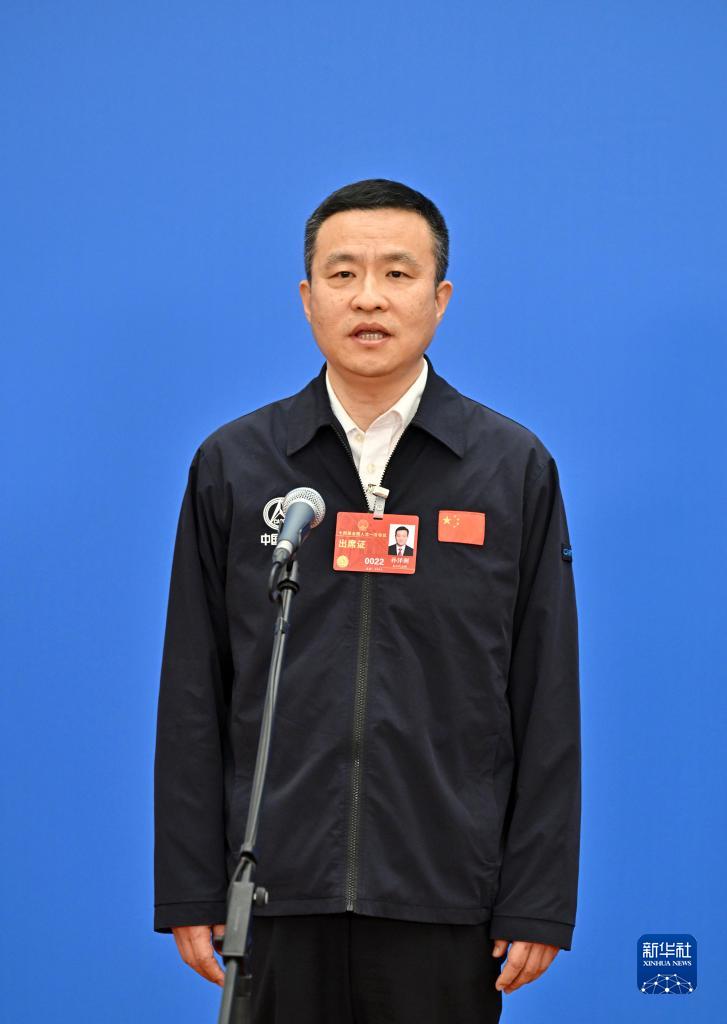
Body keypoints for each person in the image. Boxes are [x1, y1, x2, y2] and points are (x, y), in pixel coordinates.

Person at [153, 178, 581, 1023]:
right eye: (343, 274)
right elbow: (194, 689)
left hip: (445, 895)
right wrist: (191, 885)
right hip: (272, 892)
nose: (369, 298)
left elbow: (545, 693)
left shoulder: (509, 467)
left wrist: (537, 897)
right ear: (307, 297)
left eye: (397, 273)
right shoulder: (237, 464)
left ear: (439, 297)